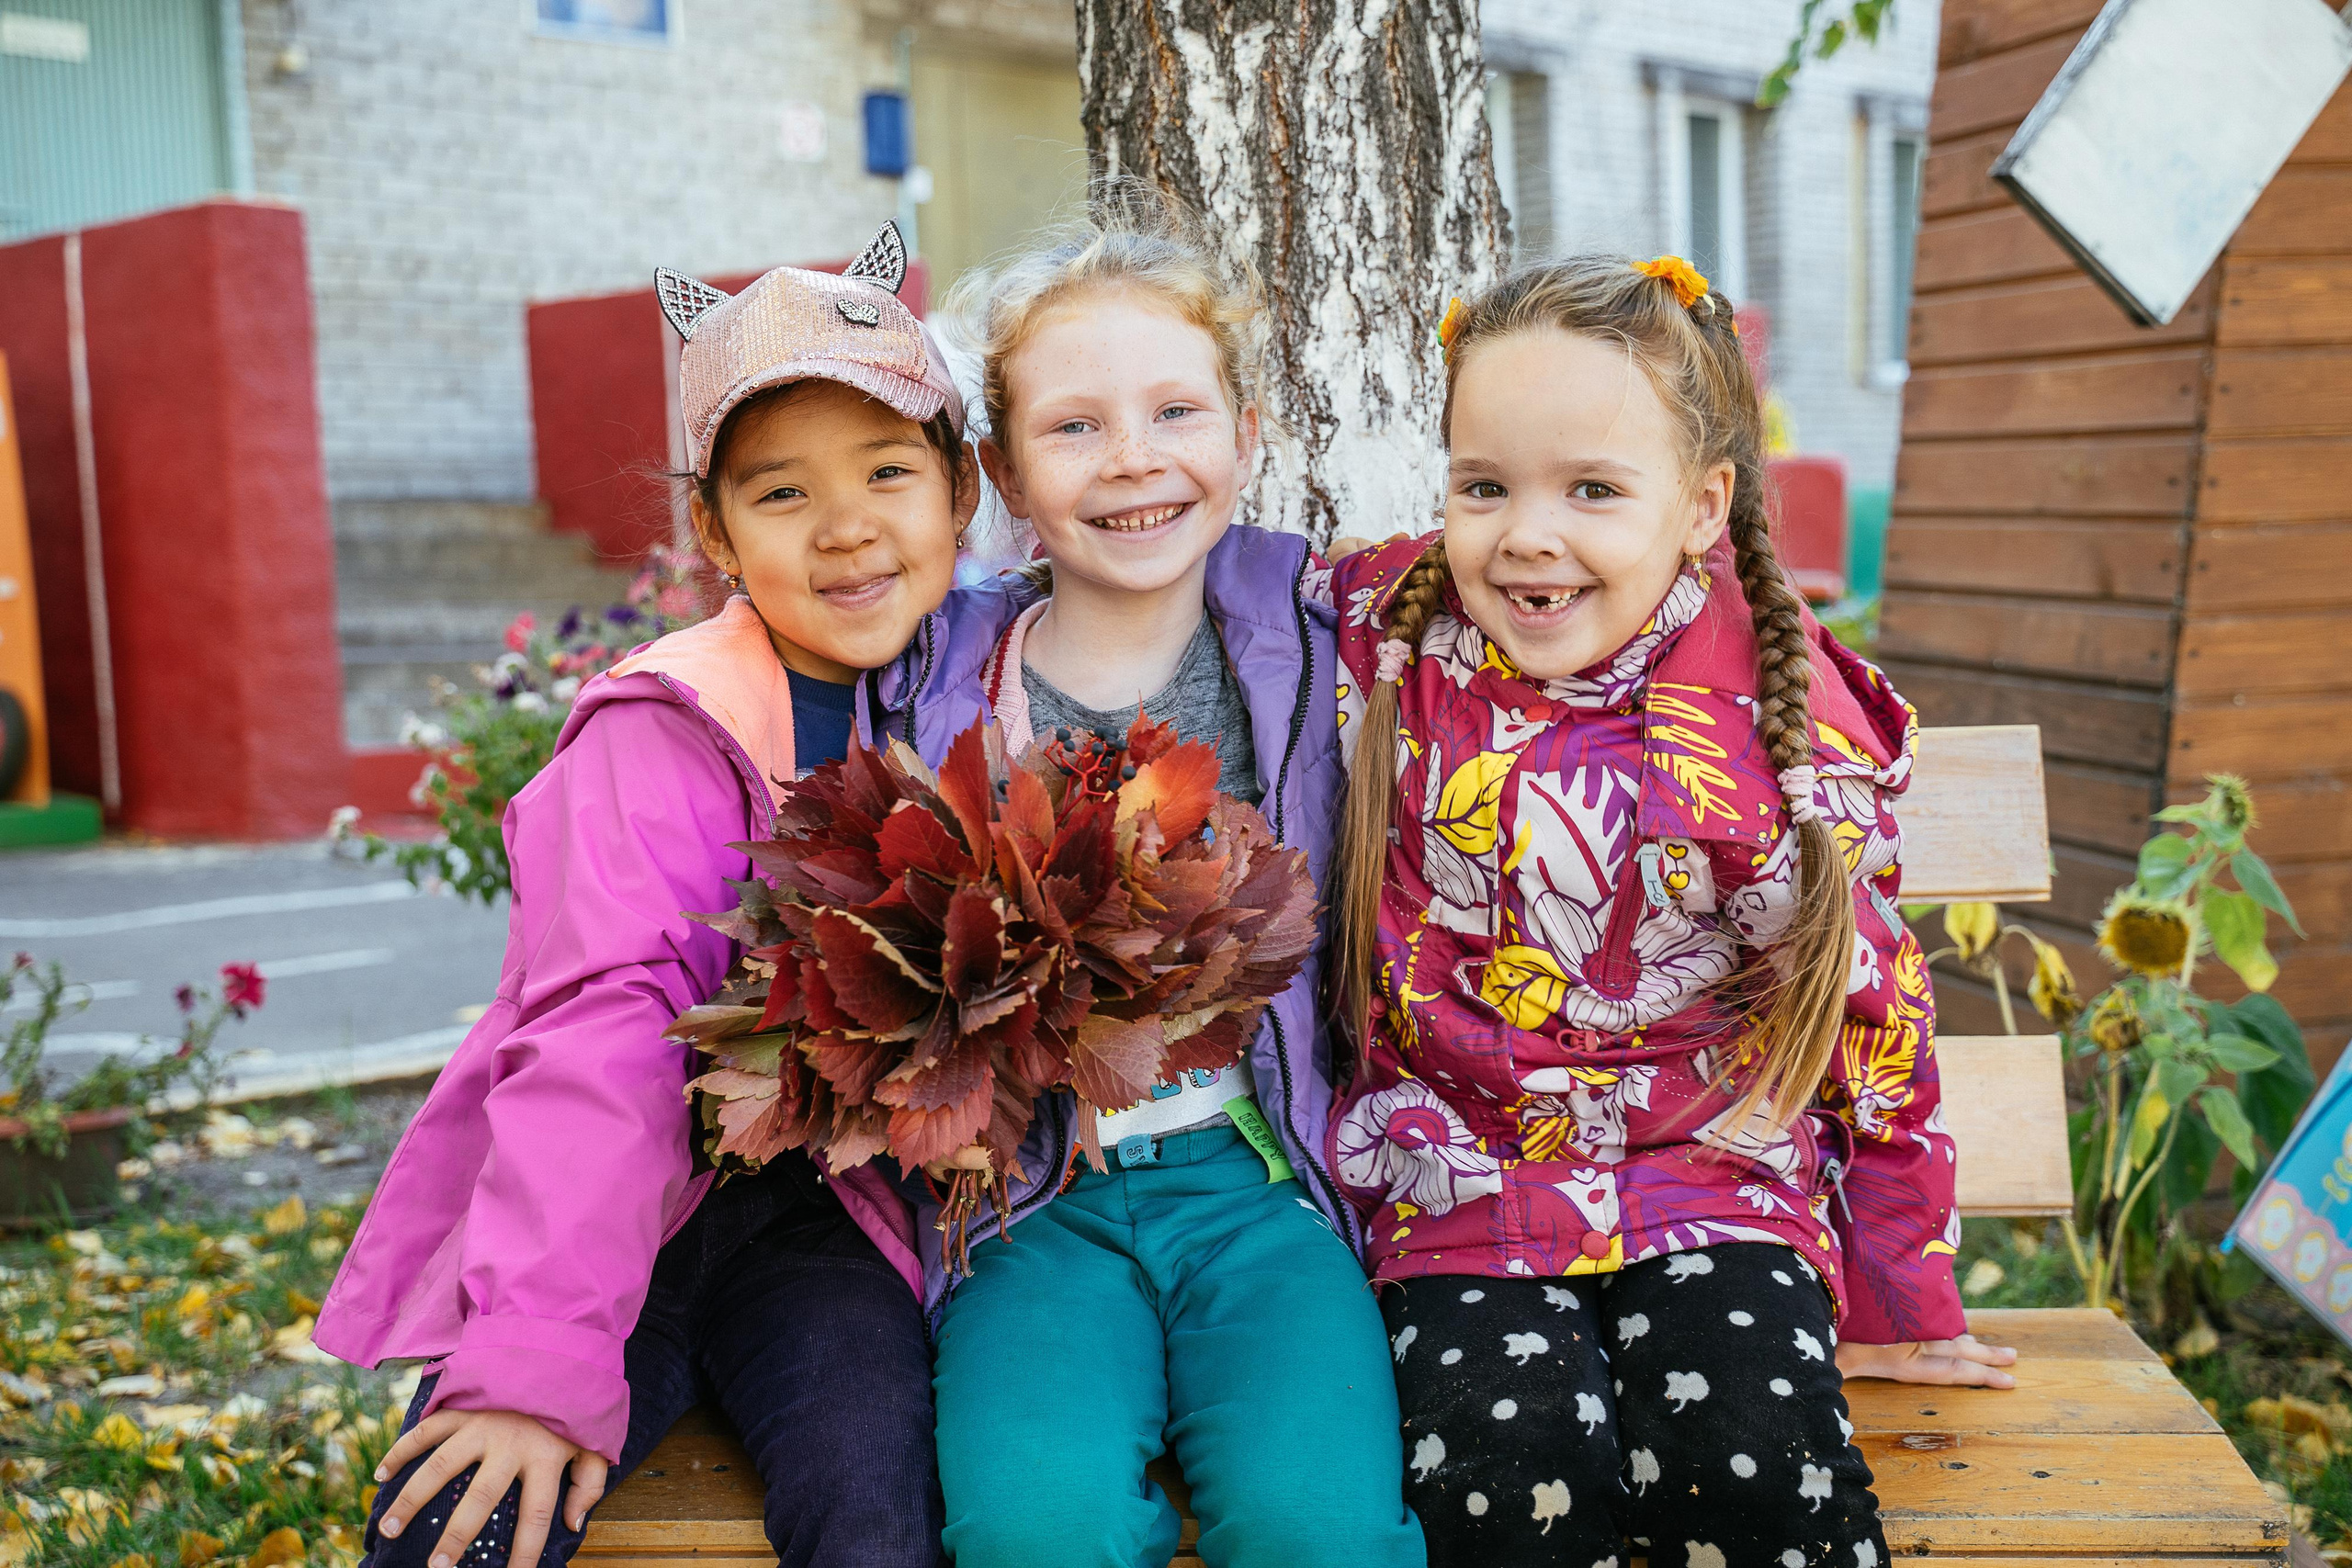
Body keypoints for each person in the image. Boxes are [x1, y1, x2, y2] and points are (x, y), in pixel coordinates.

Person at [1322, 255, 2015, 1568]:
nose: (1527, 533)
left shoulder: (1778, 728)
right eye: (1486, 487)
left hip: (1715, 1184)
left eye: (1592, 489)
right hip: (1454, 1188)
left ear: (1703, 508)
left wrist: (1898, 1288)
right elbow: (1197, 608)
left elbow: (1873, 1017)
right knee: (1506, 1477)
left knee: (1753, 1469)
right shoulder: (1388, 643)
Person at [316, 224, 978, 1568]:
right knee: (466, 1518)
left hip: (826, 1227)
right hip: (622, 1218)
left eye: (891, 471)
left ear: (961, 493)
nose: (847, 526)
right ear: (715, 534)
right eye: (782, 494)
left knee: (871, 1507)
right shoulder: (662, 730)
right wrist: (538, 1358)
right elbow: (602, 1035)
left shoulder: (971, 690)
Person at [861, 189, 1424, 1568]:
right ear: (1000, 469)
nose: (1133, 461)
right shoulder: (933, 678)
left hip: (1263, 1188)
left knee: (1319, 1527)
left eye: (1178, 412)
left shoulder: (1322, 638)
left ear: (1249, 429)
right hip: (1033, 1208)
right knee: (1029, 1527)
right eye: (1073, 426)